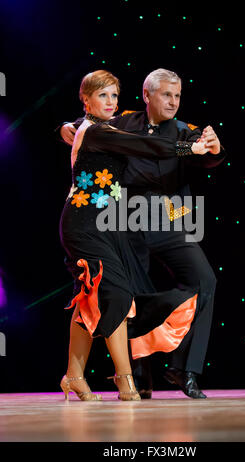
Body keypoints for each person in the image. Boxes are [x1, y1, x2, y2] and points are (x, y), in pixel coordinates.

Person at [59, 68, 226, 399]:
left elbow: (209, 156)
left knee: (202, 281)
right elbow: (89, 126)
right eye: (166, 94)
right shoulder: (118, 123)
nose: (173, 102)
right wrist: (66, 127)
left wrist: (212, 148)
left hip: (169, 217)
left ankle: (184, 369)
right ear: (147, 95)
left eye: (178, 95)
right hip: (115, 221)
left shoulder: (183, 130)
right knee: (121, 294)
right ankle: (133, 376)